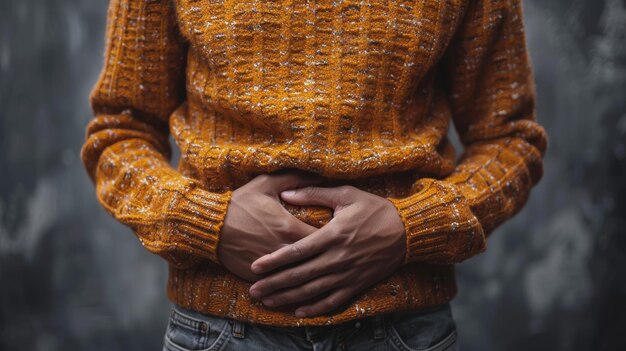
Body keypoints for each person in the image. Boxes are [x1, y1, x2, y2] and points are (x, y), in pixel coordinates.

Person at [80, 0, 548, 349]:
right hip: (220, 329)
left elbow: (508, 141)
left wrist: (410, 228)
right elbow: (121, 133)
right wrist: (206, 221)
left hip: (401, 329)